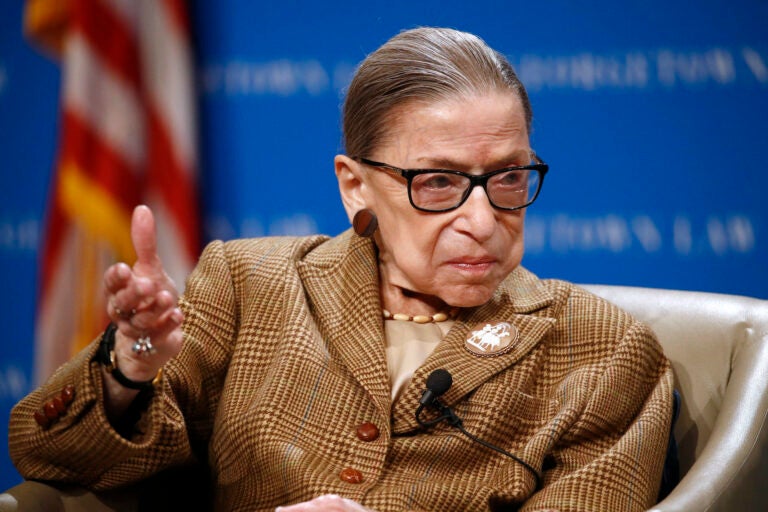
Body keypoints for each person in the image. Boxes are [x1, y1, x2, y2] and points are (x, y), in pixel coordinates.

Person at [9, 27, 674, 511]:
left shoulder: (600, 350)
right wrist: (131, 370)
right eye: (438, 182)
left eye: (507, 178)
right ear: (355, 186)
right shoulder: (250, 285)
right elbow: (50, 456)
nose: (481, 217)